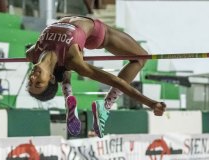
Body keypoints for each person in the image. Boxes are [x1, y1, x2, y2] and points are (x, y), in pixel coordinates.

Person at [26, 16, 166, 138]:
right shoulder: (73, 60)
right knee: (141, 58)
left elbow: (51, 57)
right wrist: (151, 103)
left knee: (62, 64)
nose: (33, 79)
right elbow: (115, 81)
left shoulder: (32, 54)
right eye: (38, 83)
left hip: (73, 37)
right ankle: (105, 106)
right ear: (50, 78)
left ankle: (68, 94)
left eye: (30, 83)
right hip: (96, 34)